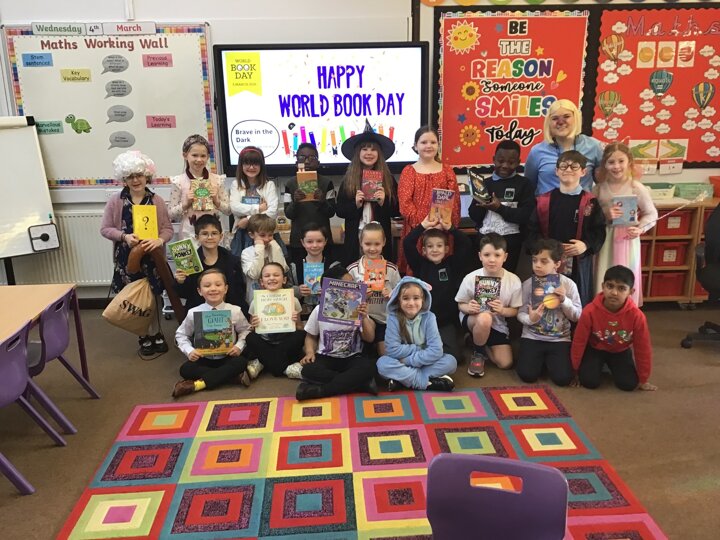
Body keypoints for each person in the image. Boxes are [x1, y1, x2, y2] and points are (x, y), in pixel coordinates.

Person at [100, 150, 173, 357]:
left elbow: (167, 229)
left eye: (139, 175)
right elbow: (105, 229)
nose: (135, 180)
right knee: (134, 297)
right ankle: (143, 335)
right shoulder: (116, 201)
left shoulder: (157, 200)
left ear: (146, 176)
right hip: (128, 258)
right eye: (130, 176)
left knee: (153, 295)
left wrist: (159, 240)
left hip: (153, 257)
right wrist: (124, 237)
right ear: (124, 179)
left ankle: (157, 332)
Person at [528, 150, 606, 306]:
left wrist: (585, 245)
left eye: (574, 166)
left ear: (583, 171)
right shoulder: (543, 201)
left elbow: (599, 230)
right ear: (556, 171)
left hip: (578, 261)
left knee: (576, 301)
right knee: (547, 302)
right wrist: (544, 248)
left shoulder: (590, 202)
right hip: (548, 261)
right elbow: (531, 230)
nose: (568, 169)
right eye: (563, 166)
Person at [295, 264, 378, 400]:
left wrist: (363, 318)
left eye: (353, 283)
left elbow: (369, 338)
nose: (354, 287)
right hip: (326, 357)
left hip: (352, 357)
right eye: (348, 284)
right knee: (308, 370)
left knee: (370, 367)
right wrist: (309, 352)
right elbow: (311, 336)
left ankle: (321, 391)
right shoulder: (318, 310)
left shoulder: (358, 308)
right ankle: (360, 384)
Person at [571, 265, 657, 392]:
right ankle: (601, 365)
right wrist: (575, 370)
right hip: (595, 348)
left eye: (621, 288)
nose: (614, 293)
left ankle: (609, 366)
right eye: (610, 286)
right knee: (589, 382)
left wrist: (643, 378)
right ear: (603, 286)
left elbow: (643, 347)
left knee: (629, 384)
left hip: (620, 351)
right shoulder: (589, 311)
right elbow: (579, 341)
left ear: (631, 292)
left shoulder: (637, 316)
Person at [594, 142, 658, 307]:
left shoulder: (636, 187)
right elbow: (592, 216)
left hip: (627, 240)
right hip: (605, 238)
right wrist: (605, 215)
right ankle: (602, 310)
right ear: (604, 164)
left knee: (625, 274)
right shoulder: (599, 189)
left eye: (621, 161)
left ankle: (626, 311)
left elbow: (652, 213)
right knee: (604, 272)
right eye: (611, 162)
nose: (616, 166)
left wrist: (640, 228)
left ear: (629, 162)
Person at [172, 268, 253, 397]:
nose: (213, 289)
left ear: (225, 289)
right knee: (185, 369)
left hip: (228, 356)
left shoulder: (235, 310)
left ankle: (197, 385)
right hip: (204, 357)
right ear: (199, 291)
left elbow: (246, 330)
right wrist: (189, 351)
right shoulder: (193, 312)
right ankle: (231, 377)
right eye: (207, 286)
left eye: (218, 284)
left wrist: (239, 346)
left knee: (241, 362)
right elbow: (181, 335)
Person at [402, 214, 472, 362]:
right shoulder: (420, 265)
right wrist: (423, 226)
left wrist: (450, 228)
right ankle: (430, 353)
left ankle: (434, 353)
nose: (435, 250)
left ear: (446, 249)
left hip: (445, 323)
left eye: (439, 246)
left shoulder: (452, 265)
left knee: (456, 357)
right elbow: (408, 243)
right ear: (424, 250)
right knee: (415, 351)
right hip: (423, 321)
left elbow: (466, 244)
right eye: (430, 246)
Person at [516, 239, 582, 386]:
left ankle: (548, 362)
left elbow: (577, 316)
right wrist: (530, 319)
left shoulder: (568, 285)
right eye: (534, 260)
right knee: (527, 375)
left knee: (563, 379)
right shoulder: (528, 284)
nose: (537, 265)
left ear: (557, 264)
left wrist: (564, 300)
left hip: (559, 339)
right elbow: (520, 313)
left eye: (544, 261)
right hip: (532, 336)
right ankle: (541, 361)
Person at [455, 233, 522, 378]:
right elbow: (460, 304)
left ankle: (475, 341)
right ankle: (478, 354)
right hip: (473, 319)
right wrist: (469, 308)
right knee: (485, 318)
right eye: (487, 255)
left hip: (497, 323)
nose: (492, 260)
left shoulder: (513, 281)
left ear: (505, 257)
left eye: (497, 255)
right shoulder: (471, 278)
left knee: (505, 363)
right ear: (480, 256)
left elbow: (515, 310)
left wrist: (503, 310)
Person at [397, 126, 460, 274]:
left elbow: (455, 202)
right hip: (417, 231)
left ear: (438, 145)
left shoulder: (447, 171)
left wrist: (444, 224)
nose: (428, 146)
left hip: (441, 231)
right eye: (424, 142)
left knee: (440, 273)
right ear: (415, 146)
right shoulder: (409, 171)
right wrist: (424, 225)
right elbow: (405, 204)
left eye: (433, 142)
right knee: (418, 273)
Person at [377, 277, 457, 391]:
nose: (411, 303)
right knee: (382, 364)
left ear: (423, 300)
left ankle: (403, 380)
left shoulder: (429, 317)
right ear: (398, 300)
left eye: (416, 298)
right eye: (405, 298)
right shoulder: (393, 318)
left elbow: (436, 350)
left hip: (410, 361)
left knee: (451, 362)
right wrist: (419, 348)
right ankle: (426, 383)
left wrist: (408, 361)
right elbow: (392, 350)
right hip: (402, 361)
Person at [336, 121, 399, 265]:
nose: (369, 153)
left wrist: (384, 202)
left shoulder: (388, 179)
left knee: (379, 271)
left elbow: (397, 210)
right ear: (358, 153)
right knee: (356, 270)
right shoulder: (349, 179)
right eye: (364, 149)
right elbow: (339, 210)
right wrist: (355, 205)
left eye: (373, 150)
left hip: (379, 237)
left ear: (379, 154)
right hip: (355, 236)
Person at [469, 140, 535, 273]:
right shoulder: (484, 183)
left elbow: (525, 215)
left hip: (510, 243)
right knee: (484, 279)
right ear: (493, 159)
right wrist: (480, 203)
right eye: (500, 161)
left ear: (518, 162)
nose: (504, 165)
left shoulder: (524, 184)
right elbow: (474, 216)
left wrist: (499, 208)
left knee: (506, 278)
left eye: (511, 162)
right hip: (484, 241)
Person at [524, 99, 603, 195]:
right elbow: (528, 188)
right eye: (555, 118)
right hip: (546, 204)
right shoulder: (537, 151)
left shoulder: (593, 146)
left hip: (582, 204)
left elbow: (604, 183)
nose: (561, 122)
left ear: (576, 118)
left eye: (566, 116)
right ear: (548, 122)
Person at [347, 222, 402, 356]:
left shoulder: (391, 269)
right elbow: (346, 301)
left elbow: (402, 297)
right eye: (368, 244)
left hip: (385, 320)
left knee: (386, 357)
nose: (372, 248)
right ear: (361, 243)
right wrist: (360, 296)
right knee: (363, 356)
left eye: (377, 244)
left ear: (384, 242)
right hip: (362, 321)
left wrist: (392, 294)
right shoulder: (352, 270)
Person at [174, 214, 247, 313]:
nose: (210, 237)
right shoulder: (189, 262)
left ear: (221, 236)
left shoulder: (232, 260)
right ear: (196, 237)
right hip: (199, 312)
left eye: (214, 233)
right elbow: (185, 294)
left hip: (228, 311)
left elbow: (239, 292)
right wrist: (180, 282)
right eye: (204, 234)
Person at [246, 262, 305, 380]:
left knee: (300, 335)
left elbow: (300, 327)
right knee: (251, 338)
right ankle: (286, 369)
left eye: (276, 275)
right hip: (266, 342)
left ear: (284, 280)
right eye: (267, 276)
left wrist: (295, 322)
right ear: (261, 281)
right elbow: (252, 328)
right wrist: (254, 325)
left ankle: (263, 362)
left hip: (285, 342)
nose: (272, 278)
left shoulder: (293, 300)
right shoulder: (255, 301)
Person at [168, 134, 230, 241]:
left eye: (203, 156)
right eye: (194, 155)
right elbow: (171, 214)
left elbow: (228, 210)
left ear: (208, 157)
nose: (199, 159)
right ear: (185, 155)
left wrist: (216, 201)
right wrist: (185, 204)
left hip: (213, 233)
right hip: (189, 234)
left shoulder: (217, 180)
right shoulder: (178, 182)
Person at [283, 142, 336, 269]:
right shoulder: (290, 184)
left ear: (318, 163)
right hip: (298, 240)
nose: (307, 161)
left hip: (322, 240)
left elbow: (331, 212)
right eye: (302, 158)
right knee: (300, 273)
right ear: (296, 163)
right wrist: (295, 202)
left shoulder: (327, 183)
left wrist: (322, 201)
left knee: (325, 273)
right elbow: (288, 214)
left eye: (312, 158)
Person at [229, 146, 280, 255]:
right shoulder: (236, 185)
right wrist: (259, 208)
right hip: (242, 235)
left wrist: (248, 219)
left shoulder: (269, 185)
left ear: (261, 166)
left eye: (255, 164)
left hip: (266, 234)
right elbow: (235, 208)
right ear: (241, 165)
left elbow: (272, 212)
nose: (251, 167)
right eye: (247, 163)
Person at [290, 223, 339, 317]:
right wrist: (298, 290)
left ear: (325, 241)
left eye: (319, 241)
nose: (315, 245)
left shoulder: (334, 267)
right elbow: (284, 289)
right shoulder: (294, 266)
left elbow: (343, 292)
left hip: (328, 315)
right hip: (300, 315)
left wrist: (328, 292)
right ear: (302, 242)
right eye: (309, 242)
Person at [240, 214, 289, 304]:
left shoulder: (275, 248)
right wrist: (259, 249)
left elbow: (282, 270)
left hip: (278, 298)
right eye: (262, 235)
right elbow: (254, 274)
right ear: (251, 235)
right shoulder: (246, 253)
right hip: (255, 299)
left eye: (270, 235)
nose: (267, 239)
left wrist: (276, 248)